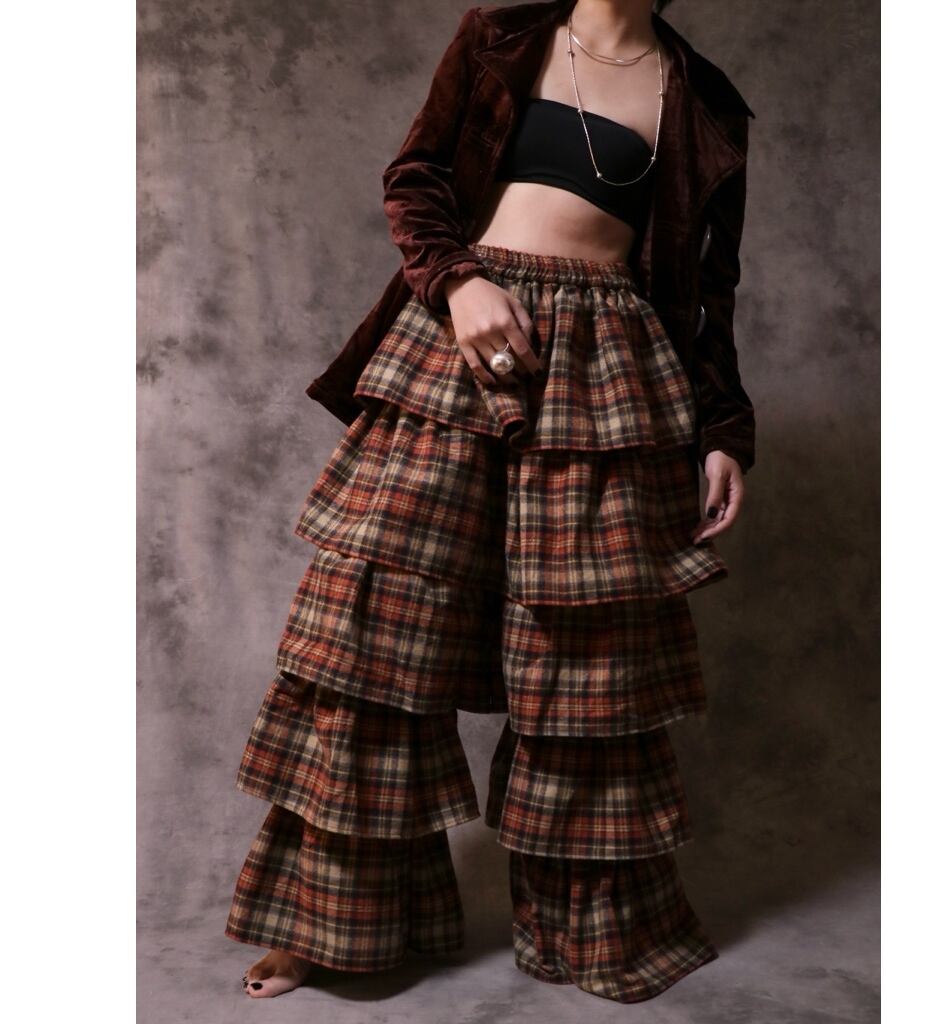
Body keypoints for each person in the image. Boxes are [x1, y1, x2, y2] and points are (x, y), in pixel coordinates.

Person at [225, 0, 756, 1004]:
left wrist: (723, 431)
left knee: (591, 674)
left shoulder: (705, 102)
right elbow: (417, 176)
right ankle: (326, 925)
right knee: (369, 640)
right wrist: (459, 282)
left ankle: (593, 932)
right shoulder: (502, 36)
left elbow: (706, 290)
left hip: (609, 372)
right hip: (459, 340)